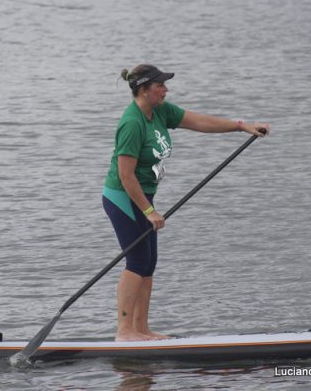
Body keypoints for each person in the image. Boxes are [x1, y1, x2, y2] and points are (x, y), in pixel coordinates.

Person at [103, 64, 270, 341]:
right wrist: (149, 211)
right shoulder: (132, 123)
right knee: (136, 261)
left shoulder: (160, 111)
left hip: (143, 197)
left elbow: (199, 121)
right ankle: (124, 332)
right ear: (144, 90)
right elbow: (125, 175)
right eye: (160, 86)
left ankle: (142, 330)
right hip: (122, 197)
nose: (165, 90)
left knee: (149, 263)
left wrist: (242, 127)